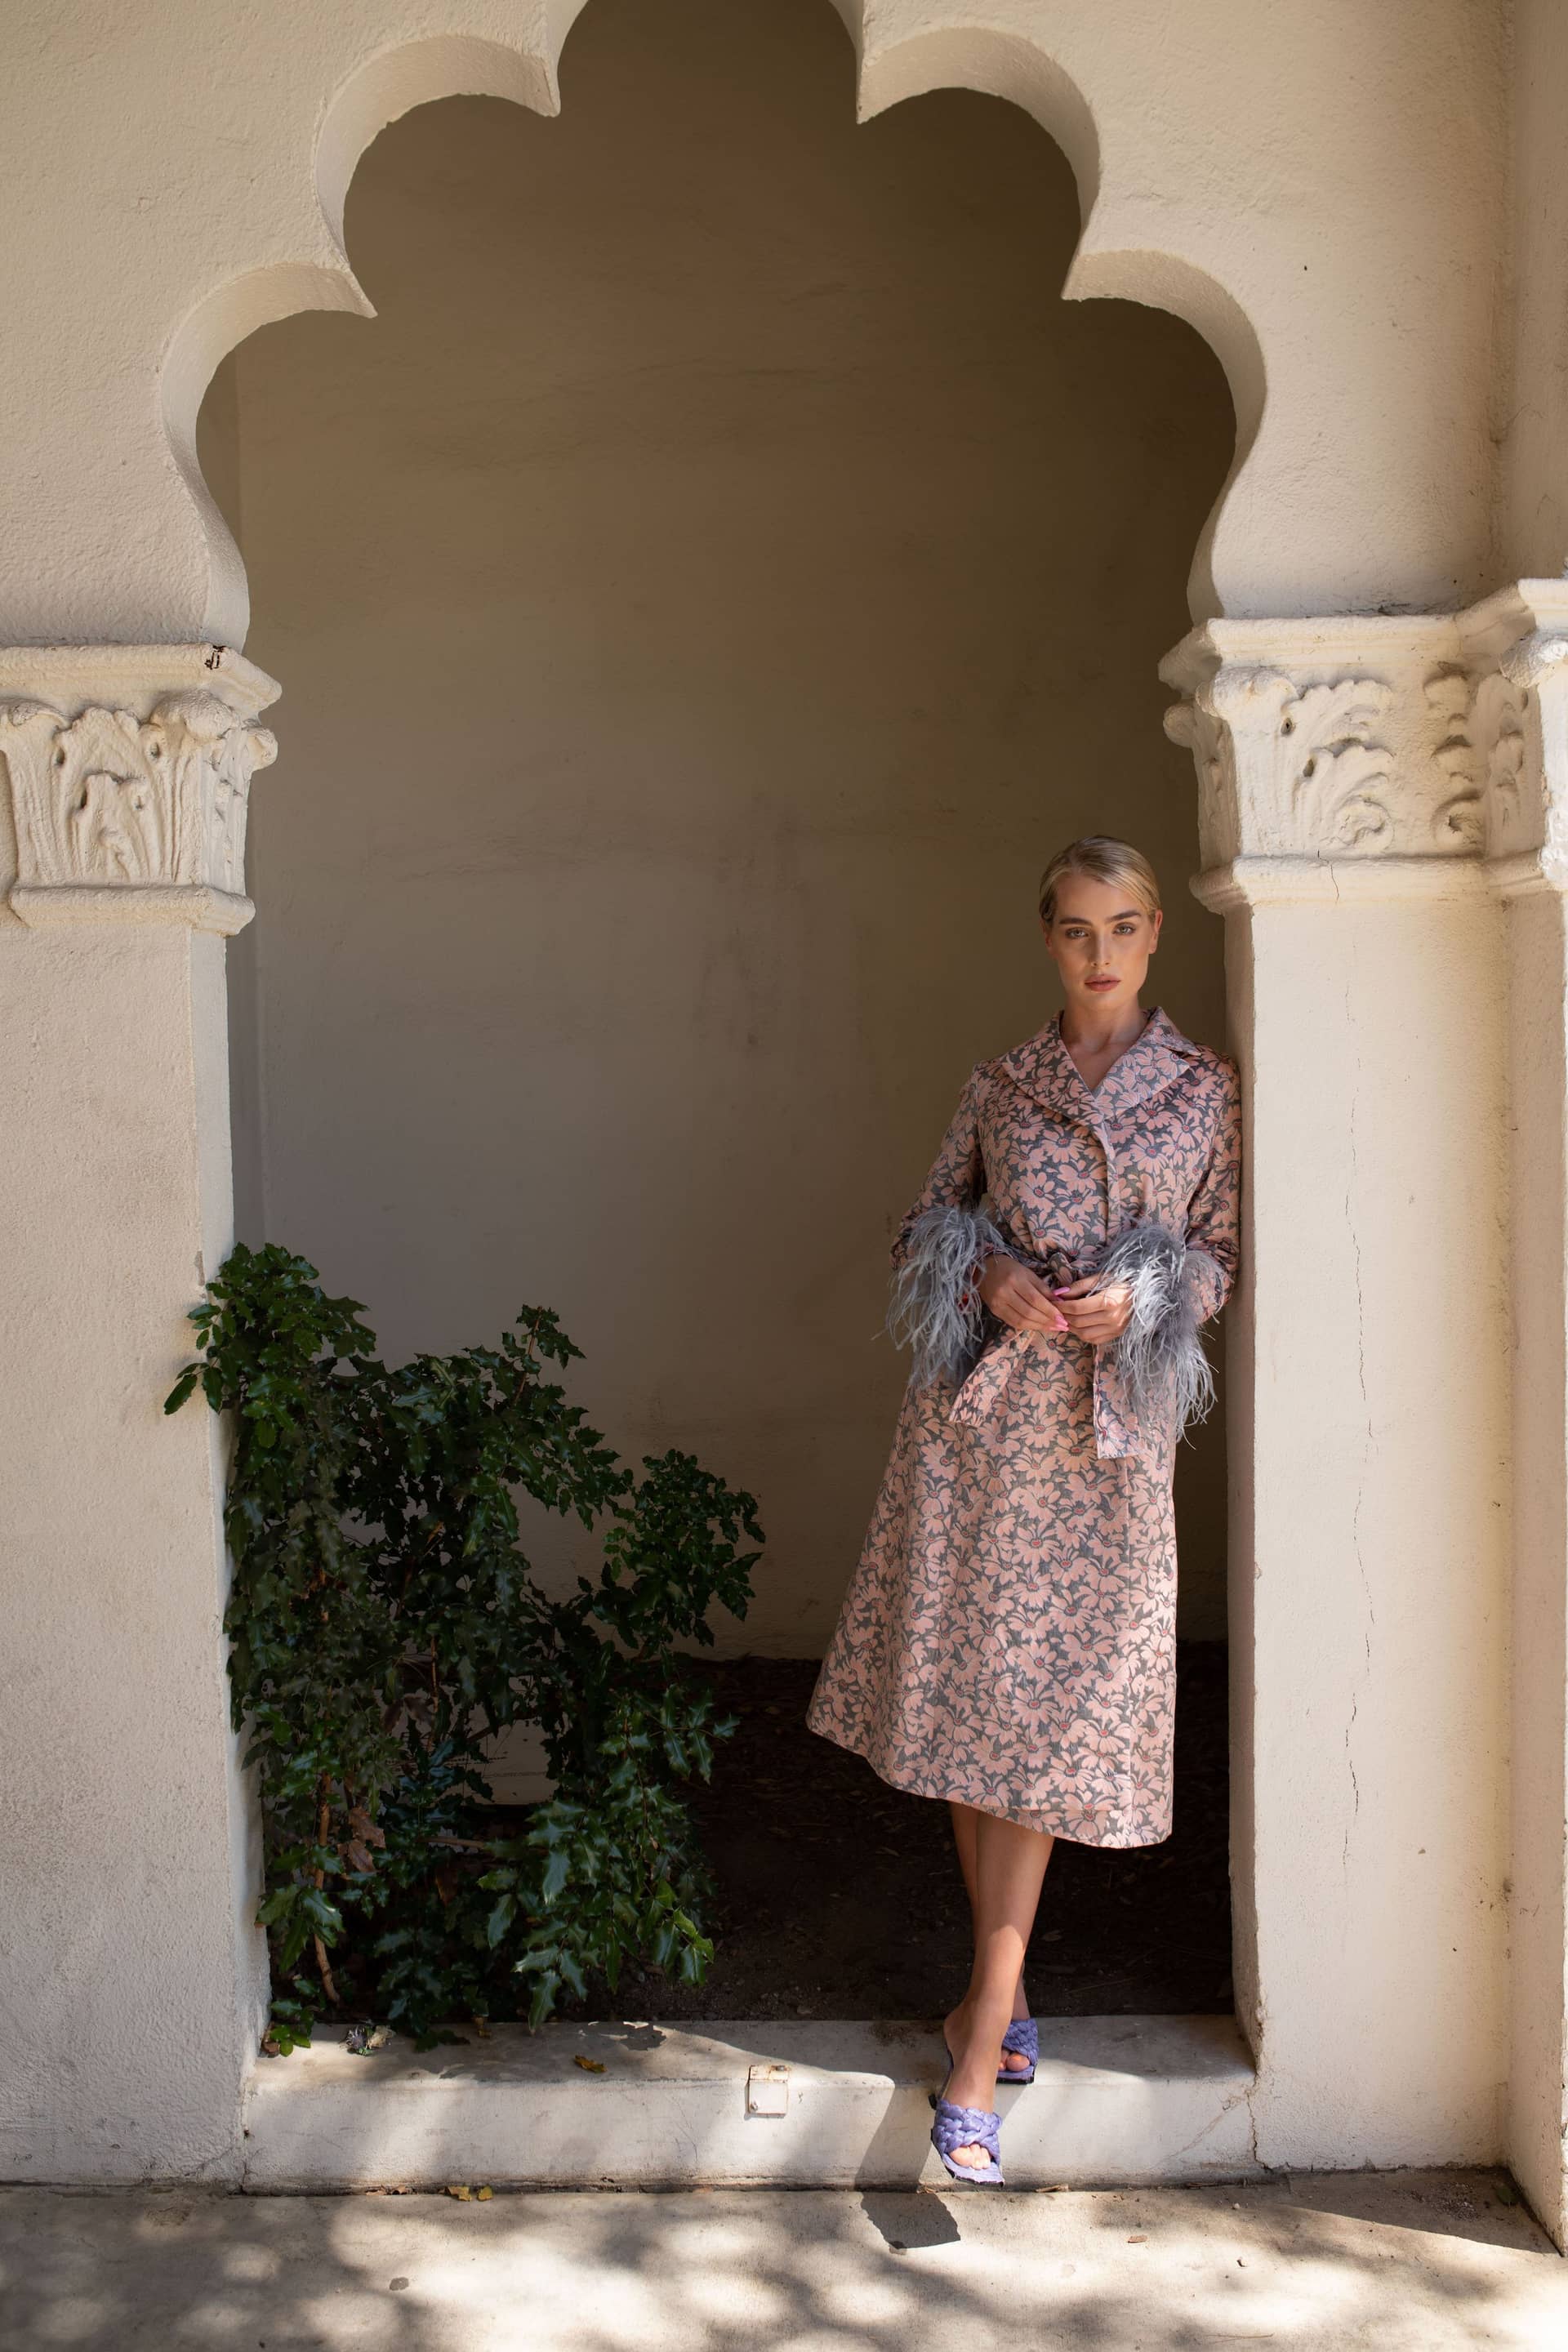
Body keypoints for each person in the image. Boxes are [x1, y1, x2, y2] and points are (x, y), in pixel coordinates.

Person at [807, 835, 1241, 2187]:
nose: (1099, 952)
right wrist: (983, 1268)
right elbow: (925, 1223)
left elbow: (1223, 1253)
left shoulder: (1204, 1092)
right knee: (976, 1709)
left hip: (1110, 1448)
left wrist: (1156, 1293)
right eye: (1074, 930)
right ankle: (991, 2018)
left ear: (1156, 933)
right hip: (984, 1437)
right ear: (1047, 940)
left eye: (1122, 927)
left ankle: (982, 2020)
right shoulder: (1003, 1086)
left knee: (1052, 1720)